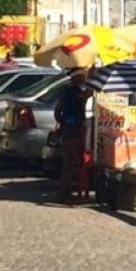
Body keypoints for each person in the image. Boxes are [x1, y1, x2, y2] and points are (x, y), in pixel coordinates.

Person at [54, 69, 90, 203]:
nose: (83, 79)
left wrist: (62, 122)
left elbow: (57, 110)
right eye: (82, 77)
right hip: (75, 129)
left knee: (67, 161)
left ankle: (64, 191)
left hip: (66, 130)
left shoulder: (65, 92)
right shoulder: (78, 93)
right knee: (77, 162)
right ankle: (68, 191)